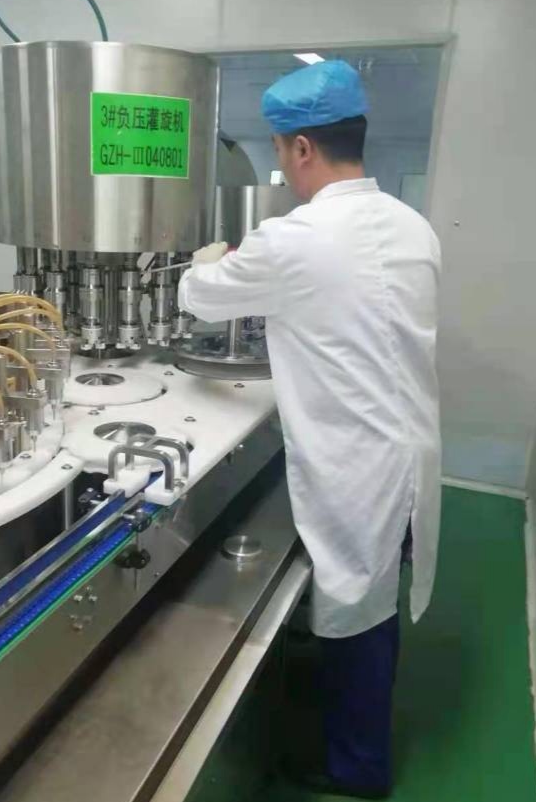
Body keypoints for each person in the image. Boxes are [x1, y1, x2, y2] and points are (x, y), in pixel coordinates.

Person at [178, 60, 441, 799]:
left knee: (361, 615)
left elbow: (200, 299)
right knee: (375, 593)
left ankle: (356, 767)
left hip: (356, 461)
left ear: (300, 148)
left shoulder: (293, 236)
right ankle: (348, 727)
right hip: (409, 451)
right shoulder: (413, 227)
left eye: (277, 148)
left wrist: (206, 261)